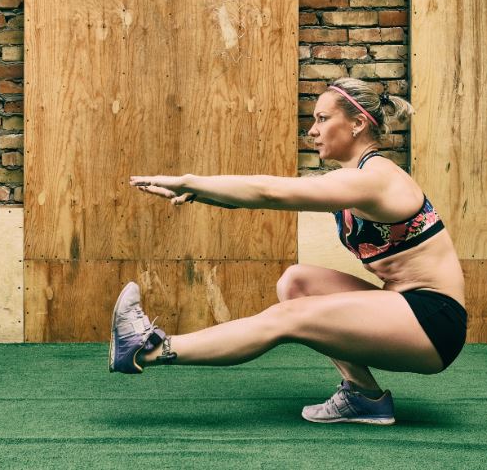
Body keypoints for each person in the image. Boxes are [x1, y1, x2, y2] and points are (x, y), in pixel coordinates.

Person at [108, 77, 466, 426]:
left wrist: (188, 180)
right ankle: (364, 398)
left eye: (323, 119)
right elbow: (265, 198)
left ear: (357, 123)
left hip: (434, 320)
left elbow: (271, 192)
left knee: (289, 317)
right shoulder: (352, 180)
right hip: (405, 308)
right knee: (297, 282)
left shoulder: (374, 178)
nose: (312, 130)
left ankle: (150, 347)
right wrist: (202, 194)